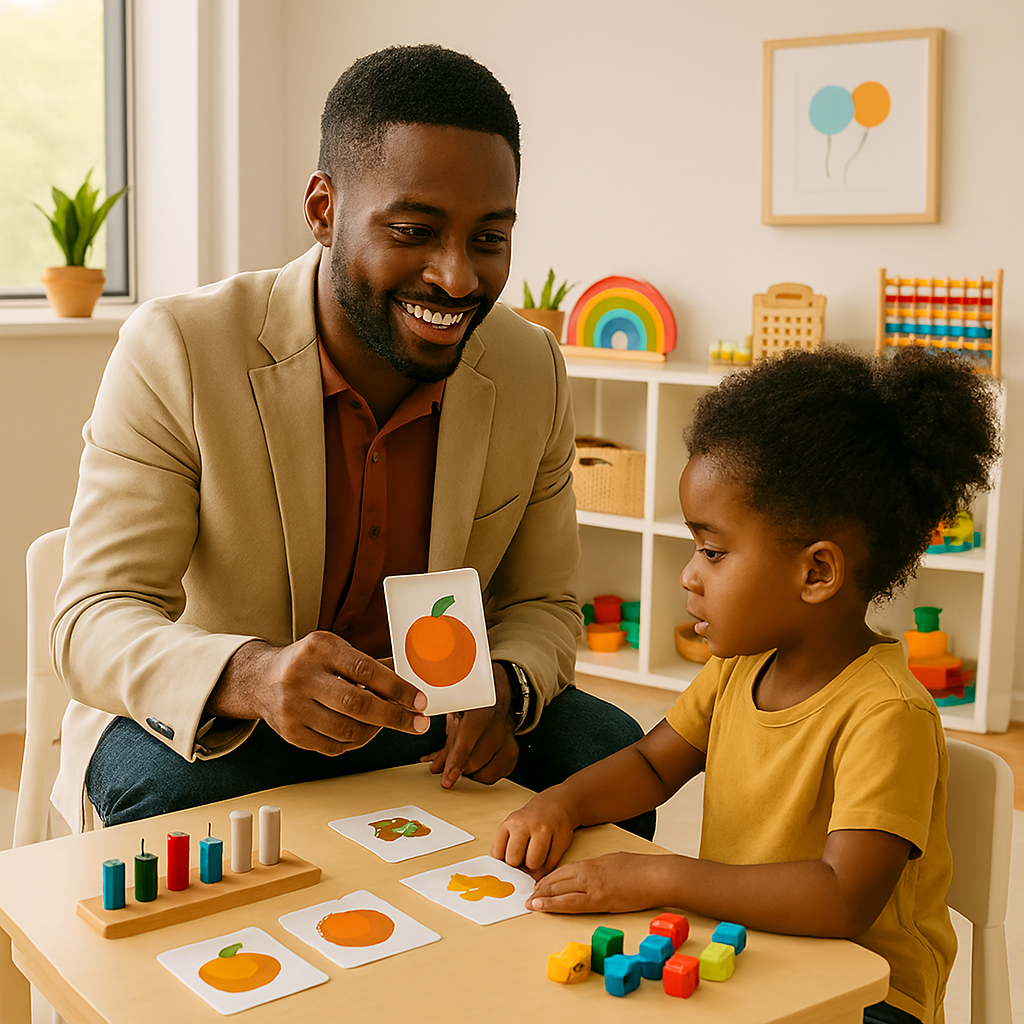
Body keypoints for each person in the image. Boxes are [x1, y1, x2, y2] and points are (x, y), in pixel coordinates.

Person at [51, 44, 650, 838]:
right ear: (324, 209)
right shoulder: (179, 349)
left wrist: (503, 684)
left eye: (488, 239)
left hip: (433, 718)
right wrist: (252, 675)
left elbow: (541, 602)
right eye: (414, 230)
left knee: (609, 754)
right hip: (234, 718)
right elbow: (94, 614)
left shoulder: (531, 365)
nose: (458, 278)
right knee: (169, 808)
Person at [492, 347, 1001, 1024]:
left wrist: (660, 874)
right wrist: (559, 802)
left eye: (713, 550)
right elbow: (651, 763)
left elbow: (841, 895)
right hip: (746, 959)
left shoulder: (889, 714)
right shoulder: (739, 668)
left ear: (817, 572)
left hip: (872, 999)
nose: (688, 575)